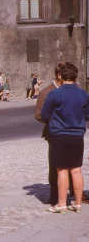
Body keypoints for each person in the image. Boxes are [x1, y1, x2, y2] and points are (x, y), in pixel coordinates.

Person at [36, 62, 89, 206]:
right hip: (68, 134)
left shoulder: (58, 93)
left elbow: (45, 114)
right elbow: (40, 115)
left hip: (60, 133)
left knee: (65, 170)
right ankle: (69, 201)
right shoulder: (47, 92)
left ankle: (65, 202)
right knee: (68, 169)